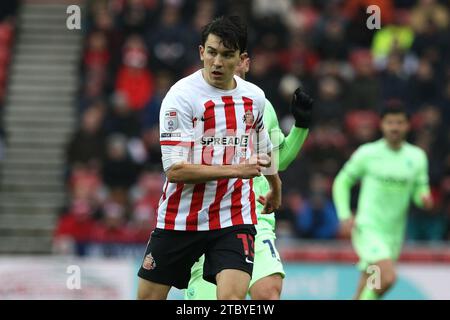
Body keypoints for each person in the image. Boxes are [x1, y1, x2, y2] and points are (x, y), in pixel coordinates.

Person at [137, 16, 282, 300]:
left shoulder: (255, 97)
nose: (217, 62)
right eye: (212, 52)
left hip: (234, 216)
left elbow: (263, 148)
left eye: (227, 55)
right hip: (181, 218)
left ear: (241, 59)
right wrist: (237, 170)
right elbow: (174, 170)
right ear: (201, 51)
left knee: (232, 301)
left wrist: (275, 187)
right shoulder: (181, 96)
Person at [185, 54, 314, 300]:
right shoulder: (194, 101)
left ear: (245, 62)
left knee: (268, 291)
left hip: (254, 213)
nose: (224, 62)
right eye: (218, 54)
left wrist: (301, 126)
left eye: (233, 56)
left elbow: (275, 161)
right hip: (209, 216)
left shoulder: (262, 105)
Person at [332, 103, 433, 300]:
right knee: (386, 277)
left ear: (408, 126)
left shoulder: (417, 157)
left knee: (370, 283)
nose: (394, 127)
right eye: (390, 122)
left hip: (394, 233)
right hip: (368, 227)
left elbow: (420, 190)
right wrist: (344, 215)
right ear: (382, 125)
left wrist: (424, 200)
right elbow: (342, 182)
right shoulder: (368, 153)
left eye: (399, 122)